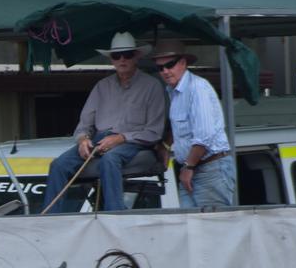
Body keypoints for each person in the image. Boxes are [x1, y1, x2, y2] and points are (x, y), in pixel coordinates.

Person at [43, 31, 167, 213]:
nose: (122, 60)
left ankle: (114, 215)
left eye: (128, 55)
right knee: (58, 165)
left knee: (110, 159)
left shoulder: (152, 86)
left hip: (135, 142)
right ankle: (51, 219)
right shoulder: (102, 86)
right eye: (117, 56)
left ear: (136, 57)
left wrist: (121, 138)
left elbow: (154, 132)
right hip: (99, 139)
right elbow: (84, 124)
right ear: (112, 60)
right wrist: (83, 139)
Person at [152, 39, 236, 208]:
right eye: (160, 68)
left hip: (210, 168)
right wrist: (166, 145)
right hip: (193, 168)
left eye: (170, 64)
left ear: (183, 62)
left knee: (212, 229)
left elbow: (204, 136)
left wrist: (188, 167)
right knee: (192, 230)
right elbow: (180, 126)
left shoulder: (198, 88)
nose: (165, 71)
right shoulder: (173, 91)